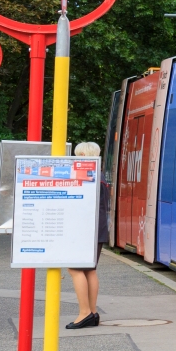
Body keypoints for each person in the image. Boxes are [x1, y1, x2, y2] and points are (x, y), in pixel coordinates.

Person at [66, 141, 106, 329]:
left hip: (84, 230)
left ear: (82, 156)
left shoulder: (84, 177)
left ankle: (84, 313)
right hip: (98, 230)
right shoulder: (100, 176)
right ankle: (93, 311)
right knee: (90, 269)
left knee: (75, 269)